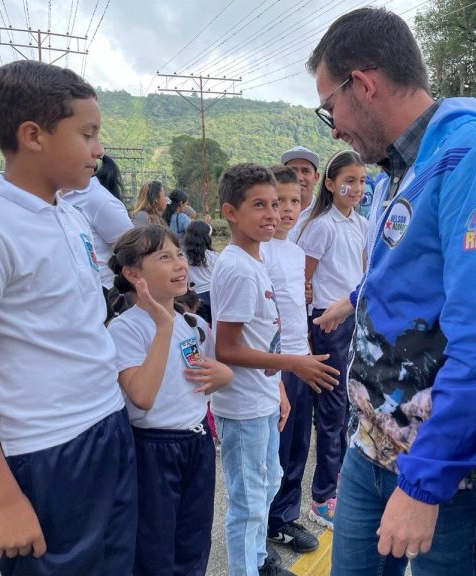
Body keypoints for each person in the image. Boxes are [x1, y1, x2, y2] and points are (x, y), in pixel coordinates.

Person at [307, 8, 476, 576]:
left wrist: (426, 481)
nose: (333, 128)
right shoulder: (396, 171)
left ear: (363, 83)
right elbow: (408, 280)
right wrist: (356, 298)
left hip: (448, 469)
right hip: (372, 445)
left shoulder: (470, 154)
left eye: (329, 107)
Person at [0, 60, 137, 575]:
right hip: (46, 451)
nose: (99, 149)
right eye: (87, 134)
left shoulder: (71, 214)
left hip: (108, 424)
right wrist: (1, 499)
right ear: (32, 135)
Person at [209, 163, 340, 576]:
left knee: (267, 483)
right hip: (242, 405)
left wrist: (279, 388)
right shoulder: (236, 268)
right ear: (231, 212)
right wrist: (293, 364)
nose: (272, 213)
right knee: (248, 502)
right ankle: (245, 568)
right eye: (260, 205)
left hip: (263, 395)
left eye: (279, 203)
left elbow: (264, 335)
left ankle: (259, 559)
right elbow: (226, 349)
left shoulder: (257, 262)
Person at [107, 225, 232, 575]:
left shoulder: (189, 323)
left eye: (179, 255)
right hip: (153, 450)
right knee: (155, 549)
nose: (180, 264)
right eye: (164, 257)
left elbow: (201, 375)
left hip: (197, 443)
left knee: (193, 543)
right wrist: (162, 327)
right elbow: (142, 396)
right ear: (133, 274)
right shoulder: (126, 329)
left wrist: (224, 376)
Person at [296, 150, 367, 529]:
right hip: (327, 324)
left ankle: (336, 482)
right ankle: (322, 497)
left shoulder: (360, 223)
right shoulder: (322, 225)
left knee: (345, 410)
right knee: (331, 410)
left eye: (361, 181)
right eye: (349, 180)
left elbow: (363, 271)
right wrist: (309, 329)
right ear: (330, 183)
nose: (356, 188)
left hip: (352, 320)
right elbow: (301, 280)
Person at [262, 165, 326, 554]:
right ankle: (267, 521)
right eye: (277, 201)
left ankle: (284, 517)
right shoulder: (259, 251)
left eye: (293, 201)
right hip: (275, 365)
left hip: (300, 359)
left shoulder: (295, 251)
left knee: (299, 444)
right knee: (273, 450)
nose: (286, 209)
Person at [61, 171, 134, 321]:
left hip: (97, 292)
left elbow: (132, 247)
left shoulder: (99, 200)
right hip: (67, 292)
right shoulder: (53, 195)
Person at [280, 145, 320, 240]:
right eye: (292, 171)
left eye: (306, 171)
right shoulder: (271, 211)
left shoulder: (324, 213)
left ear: (316, 177)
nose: (299, 177)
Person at [184, 219, 218, 325]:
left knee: (199, 327)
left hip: (193, 296)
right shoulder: (214, 256)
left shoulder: (183, 257)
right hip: (212, 294)